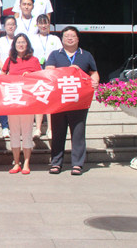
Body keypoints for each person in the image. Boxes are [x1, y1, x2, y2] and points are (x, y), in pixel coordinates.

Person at [45, 26, 99, 176]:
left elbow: (94, 73)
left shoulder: (86, 55)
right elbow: (49, 72)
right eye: (66, 36)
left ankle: (77, 164)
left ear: (78, 39)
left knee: (78, 133)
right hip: (59, 101)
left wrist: (94, 81)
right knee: (58, 133)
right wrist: (68, 71)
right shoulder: (55, 54)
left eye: (72, 36)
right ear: (62, 39)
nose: (69, 38)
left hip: (79, 100)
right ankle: (56, 163)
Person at [2, 34, 42, 175]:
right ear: (14, 45)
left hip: (27, 101)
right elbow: (2, 77)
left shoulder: (34, 60)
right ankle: (16, 162)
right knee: (13, 132)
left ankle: (26, 162)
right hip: (13, 100)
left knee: (26, 132)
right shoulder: (9, 60)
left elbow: (41, 78)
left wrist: (30, 75)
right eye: (18, 42)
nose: (20, 44)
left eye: (23, 42)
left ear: (27, 44)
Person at [30, 14, 63, 138]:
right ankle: (38, 128)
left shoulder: (55, 39)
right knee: (39, 99)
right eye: (41, 23)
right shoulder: (32, 38)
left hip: (51, 71)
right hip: (37, 70)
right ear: (37, 25)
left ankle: (50, 128)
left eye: (45, 23)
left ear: (49, 24)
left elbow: (60, 54)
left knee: (50, 99)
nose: (43, 25)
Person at [0, 16, 18, 139]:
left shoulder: (19, 40)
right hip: (2, 73)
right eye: (8, 24)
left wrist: (12, 71)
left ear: (16, 26)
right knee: (3, 100)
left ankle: (14, 125)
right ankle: (4, 126)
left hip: (16, 74)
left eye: (12, 24)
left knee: (14, 100)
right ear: (4, 27)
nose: (10, 27)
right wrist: (5, 69)